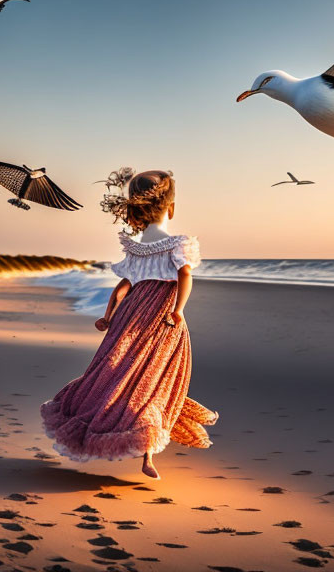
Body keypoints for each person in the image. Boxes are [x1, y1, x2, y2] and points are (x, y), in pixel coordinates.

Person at [41, 168, 217, 479]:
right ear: (171, 208)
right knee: (154, 378)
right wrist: (178, 310)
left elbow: (124, 285)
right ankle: (147, 452)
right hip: (159, 318)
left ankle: (125, 434)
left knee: (117, 370)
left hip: (130, 314)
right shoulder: (177, 244)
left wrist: (109, 316)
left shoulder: (135, 247)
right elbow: (184, 275)